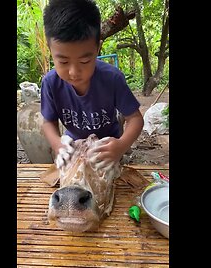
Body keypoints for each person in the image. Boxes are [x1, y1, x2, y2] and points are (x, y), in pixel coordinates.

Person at [40, 0, 144, 169]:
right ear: (51, 50)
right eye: (63, 61)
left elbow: (135, 119)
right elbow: (48, 122)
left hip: (106, 149)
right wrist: (58, 145)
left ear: (98, 49)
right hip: (73, 148)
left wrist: (121, 146)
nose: (73, 72)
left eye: (85, 61)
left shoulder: (112, 79)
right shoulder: (50, 83)